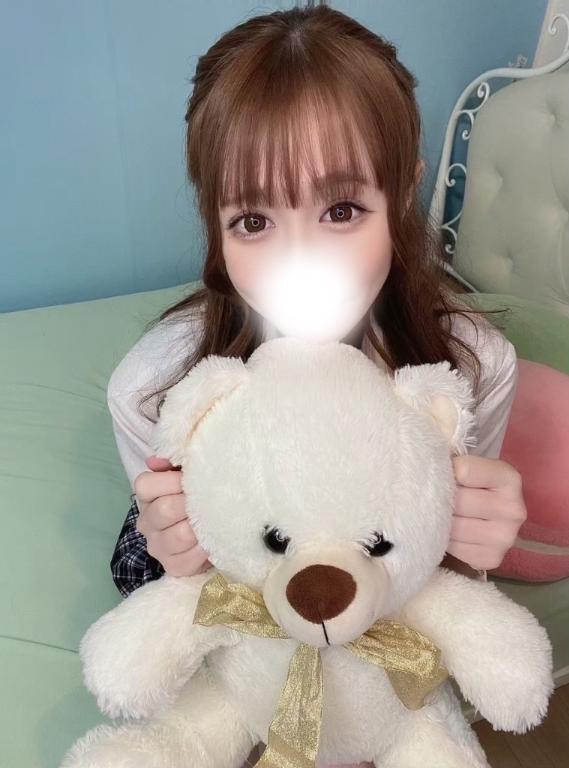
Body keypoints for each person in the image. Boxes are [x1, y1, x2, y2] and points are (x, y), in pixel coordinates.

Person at [107, 3, 527, 766]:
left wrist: (473, 550)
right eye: (253, 221)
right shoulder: (156, 387)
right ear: (214, 223)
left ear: (403, 192)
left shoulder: (472, 368)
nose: (299, 261)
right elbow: (185, 601)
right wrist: (171, 553)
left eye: (341, 209)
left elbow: (428, 574)